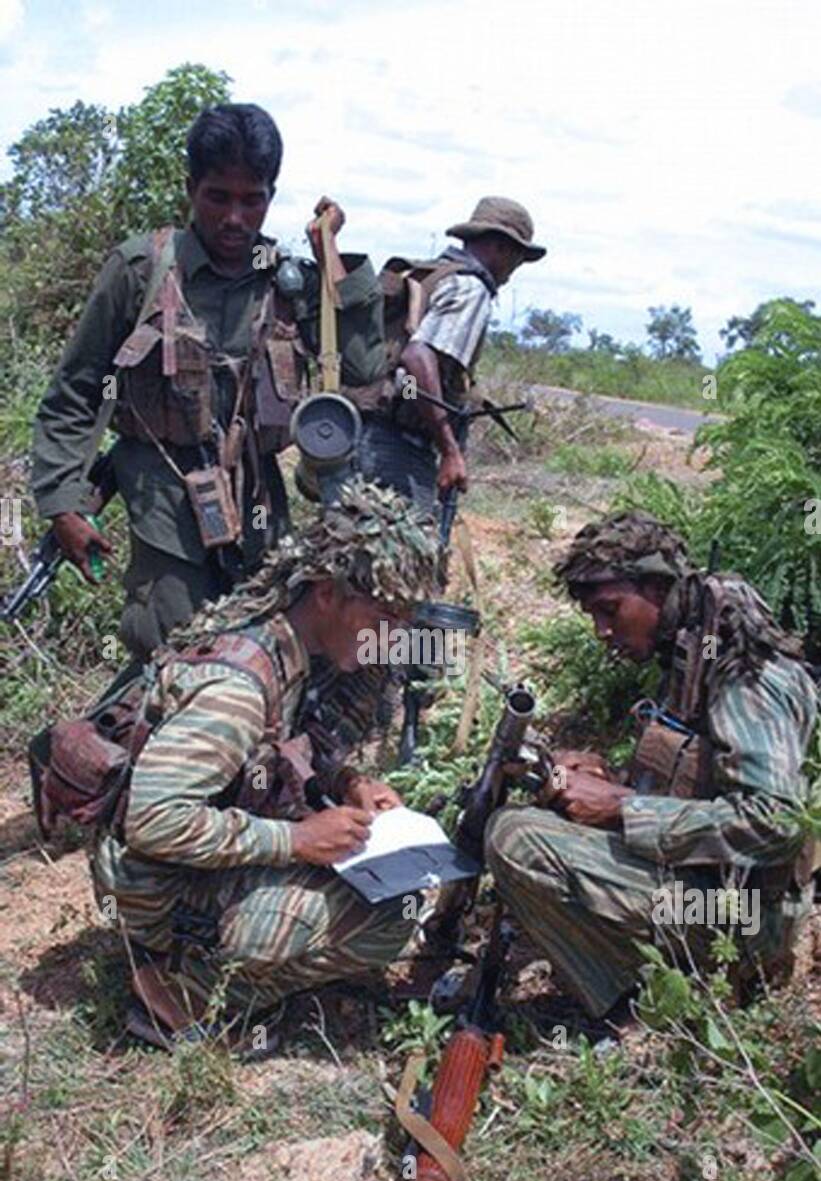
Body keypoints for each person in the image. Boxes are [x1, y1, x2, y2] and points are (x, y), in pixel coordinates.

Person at [91, 481, 440, 1046]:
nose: (393, 637)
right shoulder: (238, 687)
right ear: (327, 593)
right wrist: (296, 841)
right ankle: (181, 992)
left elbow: (281, 746)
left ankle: (200, 967)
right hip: (152, 886)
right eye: (384, 615)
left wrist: (345, 781)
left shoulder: (290, 644)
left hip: (186, 865)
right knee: (391, 918)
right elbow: (154, 820)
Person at [31, 102, 382, 661]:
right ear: (192, 187)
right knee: (171, 652)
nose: (235, 219)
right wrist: (63, 504)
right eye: (219, 197)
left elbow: (364, 374)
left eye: (253, 200)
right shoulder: (140, 271)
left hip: (260, 506)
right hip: (162, 499)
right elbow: (75, 392)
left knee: (262, 658)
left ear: (271, 196)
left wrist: (334, 263)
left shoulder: (285, 279)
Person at [486, 512, 818, 1019]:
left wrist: (624, 809)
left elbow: (776, 823)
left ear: (658, 589)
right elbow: (700, 776)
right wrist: (610, 778)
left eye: (610, 610)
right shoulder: (692, 644)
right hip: (713, 888)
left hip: (744, 919)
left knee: (516, 840)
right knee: (538, 823)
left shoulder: (745, 672)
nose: (601, 630)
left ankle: (636, 1011)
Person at [357, 196, 545, 513]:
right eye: (517, 257)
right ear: (501, 247)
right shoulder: (471, 289)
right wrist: (450, 450)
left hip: (364, 433)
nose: (515, 269)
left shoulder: (430, 276)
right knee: (401, 551)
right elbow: (416, 357)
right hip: (398, 447)